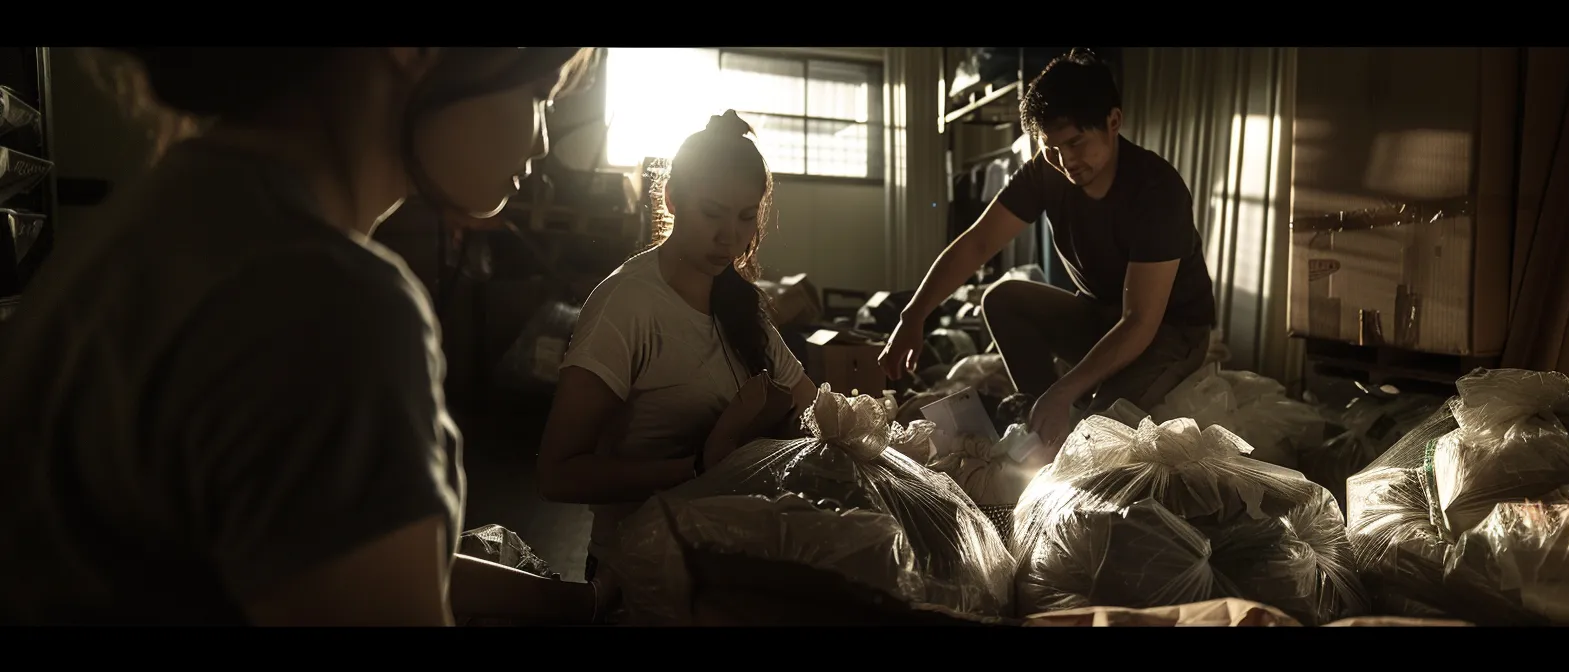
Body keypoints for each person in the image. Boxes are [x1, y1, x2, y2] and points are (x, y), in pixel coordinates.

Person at [0, 47, 598, 626]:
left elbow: (306, 555)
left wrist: (577, 604)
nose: (543, 140)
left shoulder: (158, 223)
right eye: (539, 91)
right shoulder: (325, 300)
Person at [536, 110, 819, 592]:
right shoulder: (628, 304)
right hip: (639, 575)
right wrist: (696, 470)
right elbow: (557, 475)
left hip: (731, 564)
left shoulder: (741, 304)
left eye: (746, 217)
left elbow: (811, 409)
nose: (729, 237)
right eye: (712, 213)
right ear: (671, 198)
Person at [879, 49, 1217, 450]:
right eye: (1051, 148)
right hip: (1099, 316)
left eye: (1076, 142)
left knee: (1098, 434)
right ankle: (1045, 424)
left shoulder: (1156, 190)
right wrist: (913, 315)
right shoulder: (1047, 169)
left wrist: (1065, 390)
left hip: (1169, 330)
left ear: (1113, 122)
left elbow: (1141, 319)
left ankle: (1060, 416)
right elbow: (979, 242)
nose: (1065, 160)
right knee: (1002, 299)